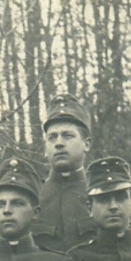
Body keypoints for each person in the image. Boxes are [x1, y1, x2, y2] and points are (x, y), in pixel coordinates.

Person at [36, 94, 94, 251]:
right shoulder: (32, 197)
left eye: (67, 135)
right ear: (45, 149)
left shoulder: (100, 194)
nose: (59, 143)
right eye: (52, 137)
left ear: (86, 144)